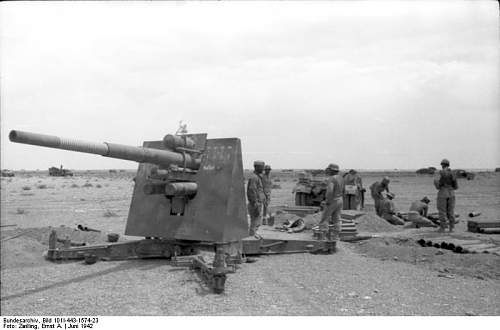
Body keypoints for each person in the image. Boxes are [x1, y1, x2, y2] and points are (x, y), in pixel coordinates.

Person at [317, 163, 344, 242]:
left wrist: (327, 201)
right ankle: (335, 237)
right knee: (337, 218)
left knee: (325, 218)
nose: (328, 171)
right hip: (340, 200)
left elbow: (330, 191)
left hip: (332, 200)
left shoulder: (331, 179)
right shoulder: (341, 178)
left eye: (329, 170)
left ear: (331, 170)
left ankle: (322, 237)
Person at [433, 158, 458, 232]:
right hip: (451, 193)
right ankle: (452, 227)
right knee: (451, 210)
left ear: (442, 165)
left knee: (442, 211)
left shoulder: (439, 172)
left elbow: (436, 183)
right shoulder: (453, 173)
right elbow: (456, 186)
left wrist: (439, 187)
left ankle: (443, 227)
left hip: (443, 192)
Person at [247, 160, 265, 237]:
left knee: (256, 220)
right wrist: (255, 203)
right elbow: (252, 191)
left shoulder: (257, 177)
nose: (263, 169)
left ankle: (254, 234)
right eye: (262, 167)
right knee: (254, 220)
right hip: (255, 203)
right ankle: (252, 236)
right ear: (256, 167)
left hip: (258, 203)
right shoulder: (254, 178)